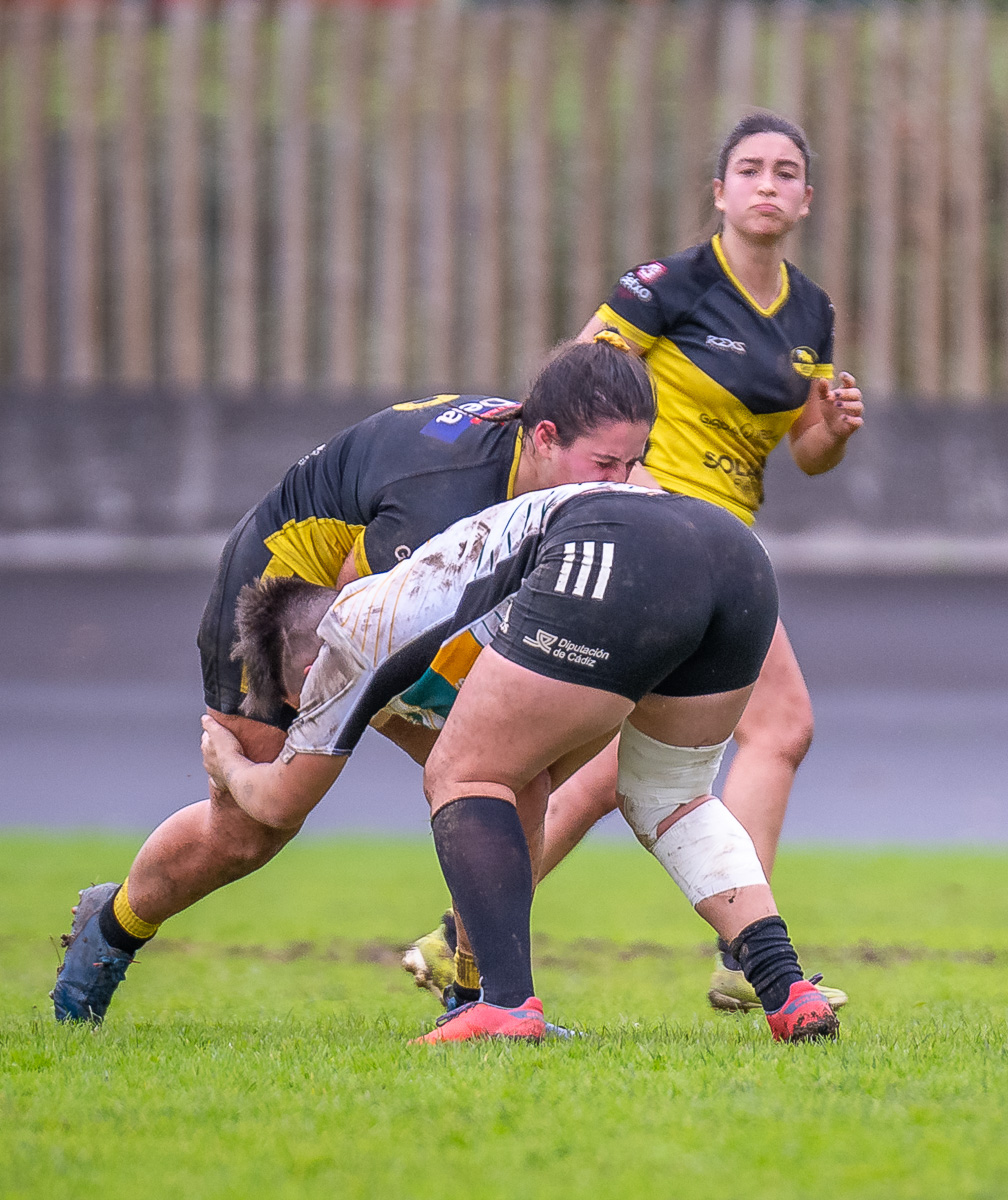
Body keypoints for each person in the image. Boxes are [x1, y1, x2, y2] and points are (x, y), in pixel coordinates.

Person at [50, 337, 656, 1023]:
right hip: (287, 601)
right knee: (249, 829)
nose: (621, 481)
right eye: (607, 463)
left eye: (634, 462)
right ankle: (112, 928)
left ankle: (484, 1001)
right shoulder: (445, 493)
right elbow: (357, 623)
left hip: (381, 611)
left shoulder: (553, 473)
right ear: (543, 436)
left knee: (517, 775)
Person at [404, 110, 862, 1014]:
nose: (767, 184)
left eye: (785, 172)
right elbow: (579, 384)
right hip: (658, 538)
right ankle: (747, 960)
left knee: (614, 768)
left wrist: (831, 430)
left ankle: (459, 934)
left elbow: (805, 453)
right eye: (749, 170)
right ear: (719, 192)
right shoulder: (670, 287)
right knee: (780, 726)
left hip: (719, 546)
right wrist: (633, 488)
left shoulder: (812, 312)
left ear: (806, 198)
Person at [196, 479, 839, 1044]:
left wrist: (227, 761)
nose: (309, 720)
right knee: (671, 795)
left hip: (618, 550)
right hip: (735, 554)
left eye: (299, 706)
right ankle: (787, 991)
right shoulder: (422, 600)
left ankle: (504, 1008)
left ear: (306, 672)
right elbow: (526, 769)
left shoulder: (345, 638)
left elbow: (282, 800)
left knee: (459, 773)